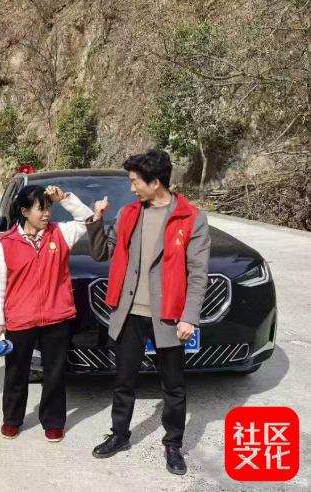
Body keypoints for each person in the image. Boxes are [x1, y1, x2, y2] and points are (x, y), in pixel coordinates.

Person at [86, 149, 210, 475]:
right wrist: (97, 220)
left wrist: (189, 316)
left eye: (135, 182)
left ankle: (173, 444)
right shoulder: (128, 214)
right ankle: (119, 434)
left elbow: (198, 273)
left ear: (155, 182)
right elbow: (101, 253)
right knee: (123, 380)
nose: (131, 188)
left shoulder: (191, 218)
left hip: (168, 315)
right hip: (130, 312)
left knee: (173, 385)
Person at [0, 184, 93, 441]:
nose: (47, 214)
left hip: (56, 316)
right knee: (16, 372)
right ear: (25, 211)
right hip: (20, 318)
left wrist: (64, 198)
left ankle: (53, 421)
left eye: (49, 208)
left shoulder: (61, 234)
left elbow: (87, 219)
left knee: (55, 373)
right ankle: (12, 419)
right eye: (41, 209)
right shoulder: (6, 244)